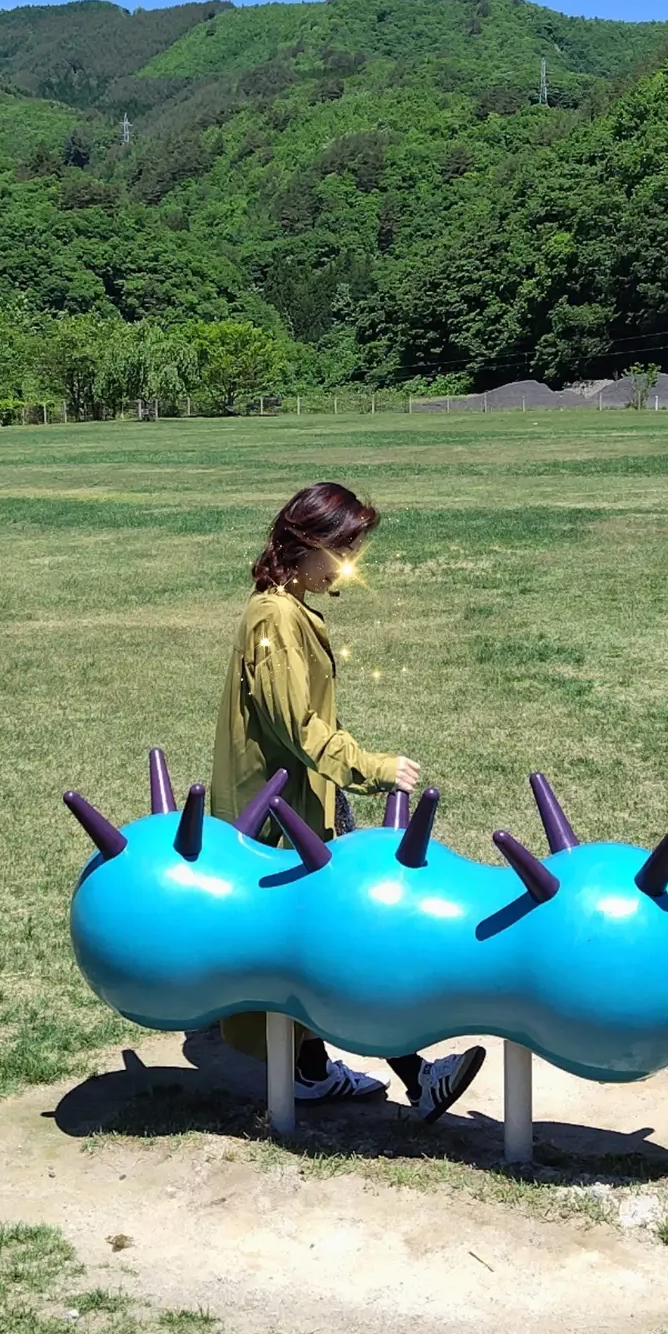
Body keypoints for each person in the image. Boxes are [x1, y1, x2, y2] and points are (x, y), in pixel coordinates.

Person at [210, 480, 485, 1121]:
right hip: (281, 822)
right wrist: (372, 768)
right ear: (306, 546)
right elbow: (296, 728)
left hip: (298, 810)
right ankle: (419, 1076)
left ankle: (314, 1073)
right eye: (344, 548)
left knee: (309, 949)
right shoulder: (277, 618)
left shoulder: (284, 609)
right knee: (348, 941)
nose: (349, 564)